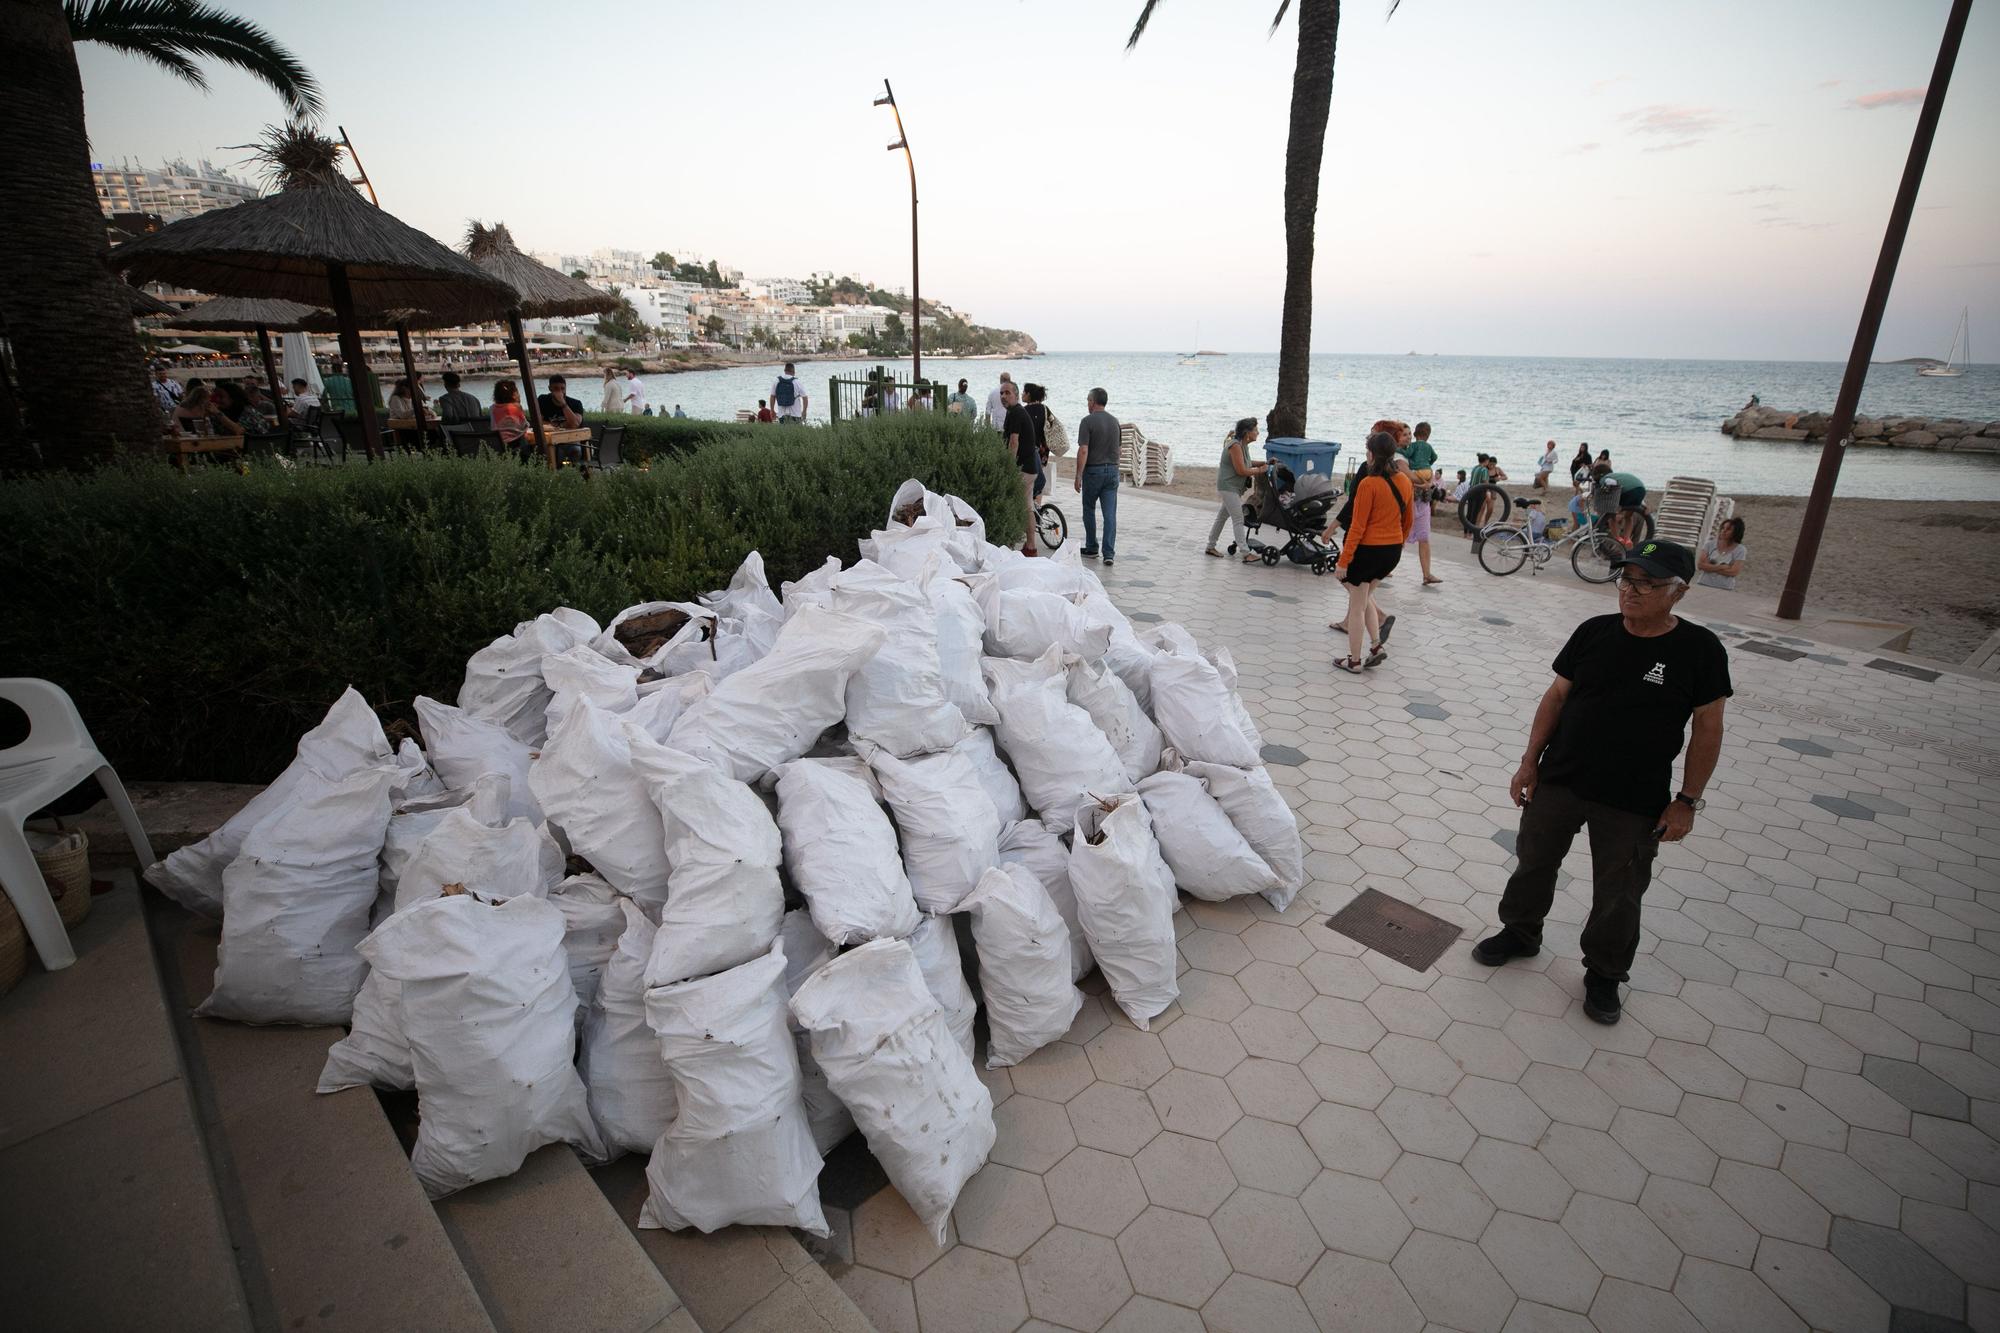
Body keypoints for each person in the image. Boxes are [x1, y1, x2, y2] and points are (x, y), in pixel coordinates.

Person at [1472, 539, 1730, 1025]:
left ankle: (1606, 972)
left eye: (1647, 584)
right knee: (1533, 862)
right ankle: (1521, 932)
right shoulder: (1594, 632)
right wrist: (1529, 762)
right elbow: (1555, 697)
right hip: (1562, 778)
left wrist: (1687, 802)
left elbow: (1708, 728)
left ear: (1678, 592)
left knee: (1620, 890)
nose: (1631, 592)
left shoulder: (1700, 651)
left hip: (1635, 798)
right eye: (1626, 580)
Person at [1327, 431, 1412, 672]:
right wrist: (1400, 542)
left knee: (1357, 606)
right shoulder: (1404, 481)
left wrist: (1343, 562)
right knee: (1364, 600)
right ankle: (1376, 646)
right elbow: (1408, 519)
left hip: (1367, 551)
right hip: (1391, 552)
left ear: (1372, 455)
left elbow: (1358, 527)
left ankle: (1354, 660)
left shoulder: (1368, 484)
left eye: (1367, 452)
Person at [1208, 417, 1269, 561]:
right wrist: (1260, 470)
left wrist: (1264, 463)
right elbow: (1242, 470)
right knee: (1238, 518)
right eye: (1255, 430)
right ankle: (1245, 553)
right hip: (1228, 486)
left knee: (1222, 517)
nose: (1258, 433)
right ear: (1247, 433)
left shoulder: (1242, 445)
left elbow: (1246, 462)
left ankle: (1210, 546)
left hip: (1233, 487)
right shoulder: (1235, 446)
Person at [1073, 387, 1122, 565]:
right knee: (1110, 514)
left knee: (1089, 509)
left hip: (1093, 470)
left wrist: (1078, 475)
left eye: (1088, 400)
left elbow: (1084, 449)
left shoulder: (1087, 421)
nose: (1088, 403)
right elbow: (1119, 450)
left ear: (1093, 402)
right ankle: (1109, 553)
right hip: (1112, 471)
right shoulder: (1115, 422)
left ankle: (1092, 546)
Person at [998, 379, 1040, 557]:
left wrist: (1008, 467)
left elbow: (1013, 442)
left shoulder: (1016, 412)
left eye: (1007, 393)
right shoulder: (1014, 412)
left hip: (1023, 468)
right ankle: (1030, 546)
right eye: (1001, 393)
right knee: (1026, 506)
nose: (1003, 396)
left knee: (1012, 504)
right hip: (1030, 467)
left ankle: (1010, 543)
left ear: (1016, 395)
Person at [1399, 422, 1442, 585]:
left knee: (1424, 536)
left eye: (1410, 434)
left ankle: (1427, 574)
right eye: (1405, 434)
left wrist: (1428, 483)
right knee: (1399, 536)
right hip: (1409, 498)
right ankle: (1384, 569)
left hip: (1421, 500)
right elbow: (1409, 475)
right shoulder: (1398, 457)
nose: (1408, 437)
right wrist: (1428, 481)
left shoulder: (1411, 450)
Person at [1697, 517, 1748, 590]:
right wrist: (1722, 567)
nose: (1724, 531)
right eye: (1723, 528)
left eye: (1728, 529)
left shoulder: (1740, 550)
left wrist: (1709, 567)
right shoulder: (1709, 544)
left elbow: (1734, 572)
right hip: (1703, 584)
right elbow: (1700, 565)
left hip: (1724, 588)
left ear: (1736, 532)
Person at [1022, 383, 1052, 500]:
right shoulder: (1045, 409)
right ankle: (1038, 507)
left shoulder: (1024, 411)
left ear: (1029, 394)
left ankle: (1030, 504)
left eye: (1024, 392)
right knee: (1039, 477)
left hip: (1029, 450)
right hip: (1043, 448)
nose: (1022, 394)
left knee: (1029, 479)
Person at [490, 379, 532, 457]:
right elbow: (525, 426)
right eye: (517, 392)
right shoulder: (516, 407)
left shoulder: (492, 408)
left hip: (498, 447)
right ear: (513, 395)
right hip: (516, 446)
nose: (519, 395)